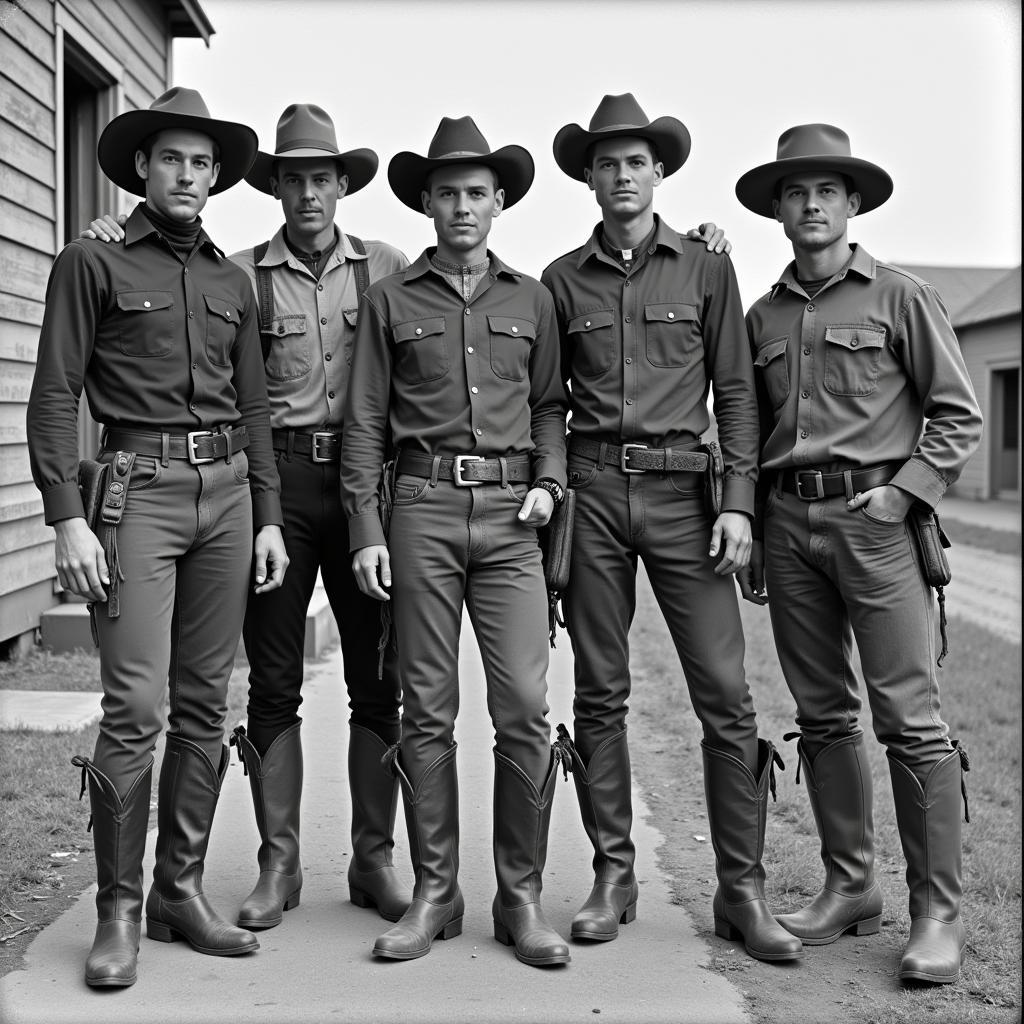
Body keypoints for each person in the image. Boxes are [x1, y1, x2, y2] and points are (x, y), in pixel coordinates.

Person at [82, 104, 412, 931]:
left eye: (322, 178)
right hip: (276, 489)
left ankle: (374, 860)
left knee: (378, 678)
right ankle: (279, 863)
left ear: (342, 186)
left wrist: (699, 238)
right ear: (273, 188)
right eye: (293, 177)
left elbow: (471, 286)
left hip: (363, 487)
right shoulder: (238, 271)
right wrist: (106, 234)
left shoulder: (390, 267)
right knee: (270, 678)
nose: (308, 192)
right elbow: (238, 394)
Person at [26, 87, 288, 988]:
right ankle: (119, 908)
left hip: (229, 501)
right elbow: (56, 394)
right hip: (136, 496)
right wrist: (67, 516)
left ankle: (179, 891)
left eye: (202, 162)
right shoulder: (90, 262)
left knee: (206, 704)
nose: (187, 174)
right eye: (171, 158)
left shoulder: (232, 280)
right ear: (142, 165)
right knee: (136, 707)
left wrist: (270, 518)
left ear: (218, 177)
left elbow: (255, 407)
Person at [540, 93, 802, 963]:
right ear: (588, 177)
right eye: (607, 163)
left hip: (690, 499)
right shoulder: (558, 281)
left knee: (725, 695)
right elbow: (547, 404)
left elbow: (735, 392)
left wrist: (739, 503)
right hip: (595, 495)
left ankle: (743, 889)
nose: (622, 175)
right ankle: (615, 876)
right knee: (599, 692)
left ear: (659, 173)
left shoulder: (705, 267)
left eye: (638, 162)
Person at [735, 124, 983, 984]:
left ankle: (937, 913)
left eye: (827, 192)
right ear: (778, 208)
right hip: (789, 529)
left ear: (852, 204)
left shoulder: (900, 297)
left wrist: (901, 495)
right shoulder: (761, 314)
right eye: (796, 193)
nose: (811, 205)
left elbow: (957, 414)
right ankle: (850, 885)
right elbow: (750, 423)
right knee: (824, 715)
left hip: (877, 524)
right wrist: (760, 529)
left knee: (910, 721)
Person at [340, 116, 570, 967]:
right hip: (424, 511)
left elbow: (551, 406)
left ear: (499, 200)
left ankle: (522, 898)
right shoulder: (391, 300)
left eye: (477, 192)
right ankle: (437, 892)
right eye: (448, 193)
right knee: (425, 710)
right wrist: (367, 528)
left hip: (515, 520)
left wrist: (549, 480)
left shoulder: (532, 298)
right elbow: (364, 420)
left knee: (522, 710)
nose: (463, 206)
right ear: (426, 203)